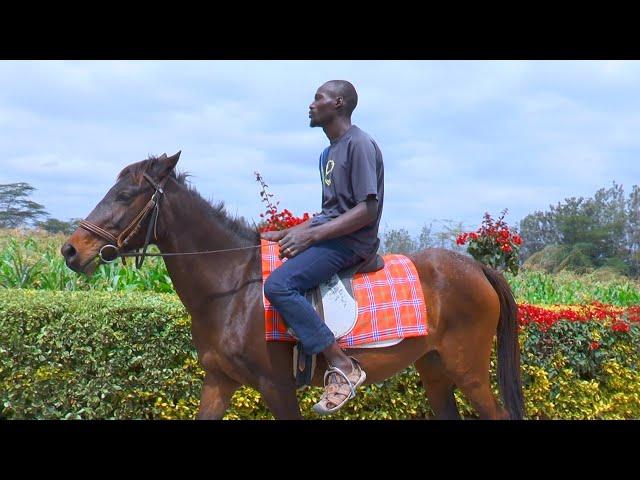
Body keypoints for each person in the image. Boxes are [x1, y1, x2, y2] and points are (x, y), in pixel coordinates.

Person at [261, 80, 385, 415]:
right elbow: (329, 212)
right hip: (333, 235)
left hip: (353, 242)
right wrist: (293, 230)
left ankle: (342, 365)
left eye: (318, 98)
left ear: (339, 104)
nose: (311, 105)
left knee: (279, 285)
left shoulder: (359, 144)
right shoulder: (327, 153)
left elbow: (366, 210)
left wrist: (311, 237)